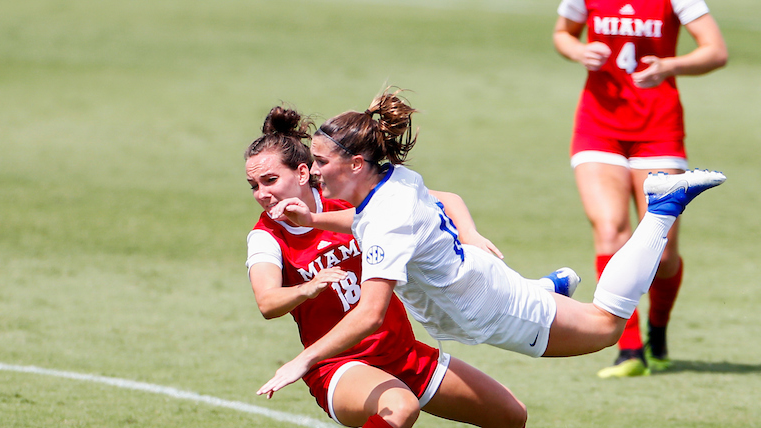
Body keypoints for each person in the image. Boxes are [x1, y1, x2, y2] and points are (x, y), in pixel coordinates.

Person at [258, 91, 723, 408]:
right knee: (556, 308)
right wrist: (315, 218)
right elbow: (387, 218)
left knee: (605, 328)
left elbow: (370, 314)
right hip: (476, 283)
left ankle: (661, 206)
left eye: (320, 161)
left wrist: (304, 359)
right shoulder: (390, 181)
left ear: (356, 163)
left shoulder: (385, 217)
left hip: (488, 305)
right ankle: (547, 288)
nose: (313, 170)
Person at [245, 106, 560, 428]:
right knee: (399, 405)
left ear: (303, 173)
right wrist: (309, 288)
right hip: (339, 367)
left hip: (402, 354)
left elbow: (442, 199)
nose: (261, 194)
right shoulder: (265, 237)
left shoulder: (350, 194)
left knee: (509, 415)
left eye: (269, 181)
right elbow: (267, 302)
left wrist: (467, 233)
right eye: (253, 186)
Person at [553, 0, 728, 377]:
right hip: (598, 126)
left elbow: (716, 51)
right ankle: (628, 350)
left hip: (659, 128)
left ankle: (658, 332)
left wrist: (670, 66)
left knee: (662, 254)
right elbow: (562, 35)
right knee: (610, 229)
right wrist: (579, 50)